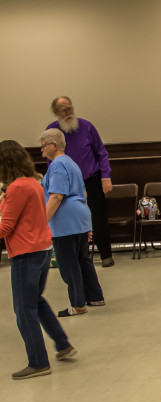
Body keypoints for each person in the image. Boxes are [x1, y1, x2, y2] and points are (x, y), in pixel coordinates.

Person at [0, 140, 77, 380]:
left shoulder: (17, 188)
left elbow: (6, 226)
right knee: (36, 301)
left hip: (26, 253)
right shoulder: (32, 183)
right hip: (41, 249)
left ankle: (38, 362)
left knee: (24, 310)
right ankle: (63, 344)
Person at [40, 129, 105, 318]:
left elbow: (57, 196)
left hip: (66, 222)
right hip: (81, 217)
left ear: (54, 145)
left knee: (69, 263)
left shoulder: (58, 165)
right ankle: (95, 296)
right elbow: (83, 193)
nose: (42, 150)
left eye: (44, 146)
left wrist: (42, 222)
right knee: (83, 259)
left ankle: (77, 304)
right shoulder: (71, 163)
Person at [47, 96, 115, 267]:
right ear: (56, 112)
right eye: (64, 110)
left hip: (91, 180)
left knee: (98, 217)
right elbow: (50, 159)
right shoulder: (52, 131)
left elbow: (101, 153)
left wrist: (105, 177)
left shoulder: (86, 126)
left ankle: (106, 255)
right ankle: (78, 256)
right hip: (66, 184)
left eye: (70, 108)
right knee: (72, 219)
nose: (69, 112)